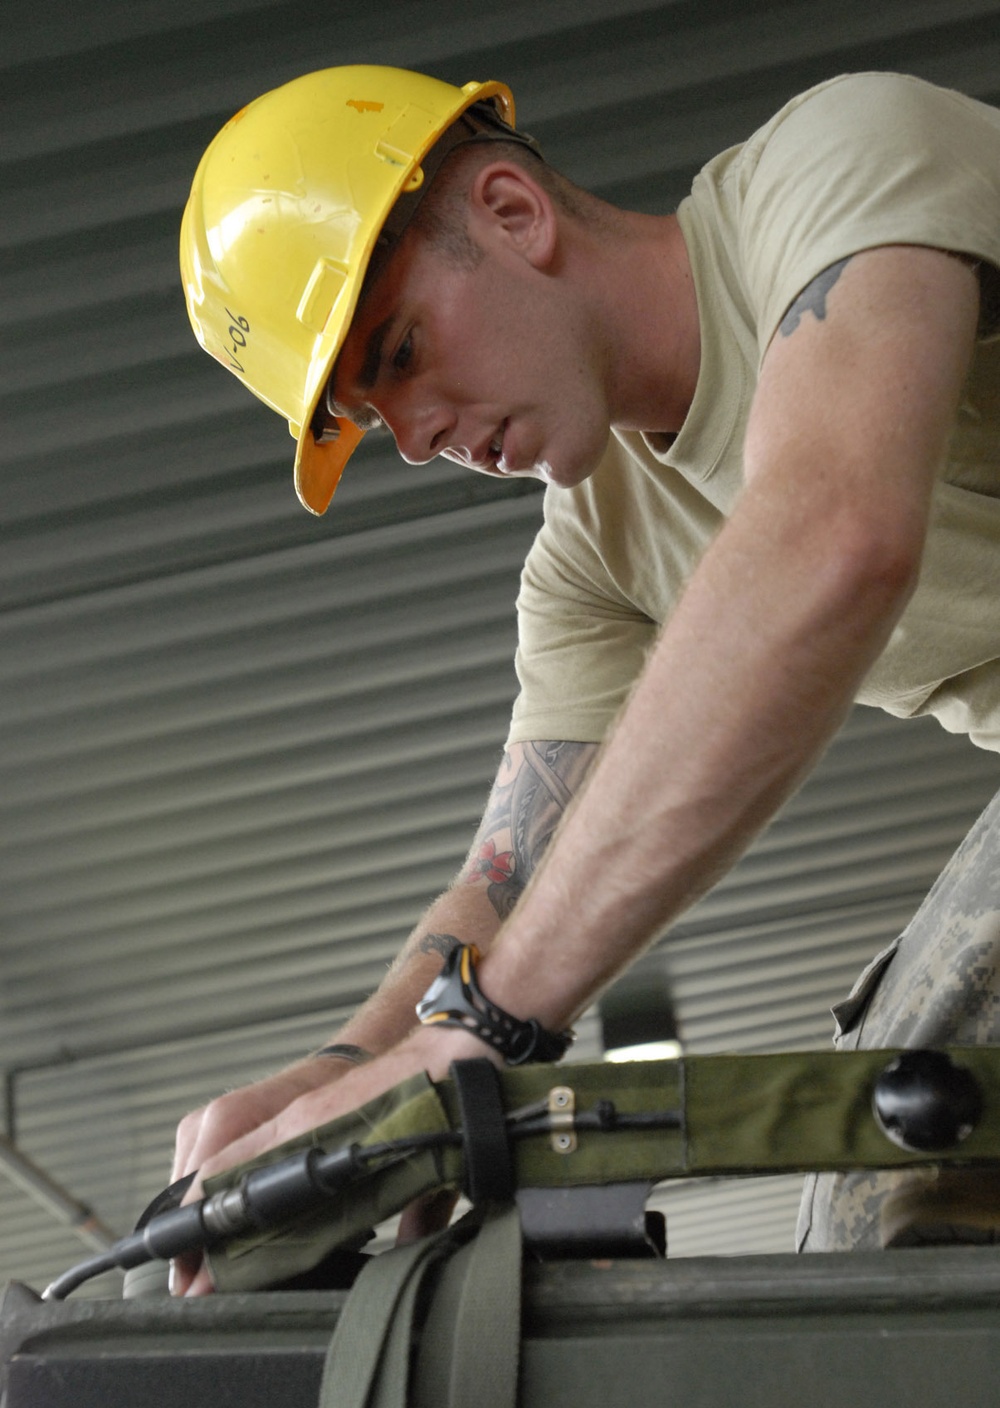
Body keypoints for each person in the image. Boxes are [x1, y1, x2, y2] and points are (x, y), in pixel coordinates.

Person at [172, 63, 1000, 1293]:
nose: (415, 436)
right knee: (876, 1234)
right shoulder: (593, 557)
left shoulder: (832, 167)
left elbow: (830, 536)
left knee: (912, 1116)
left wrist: (491, 1032)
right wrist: (344, 1073)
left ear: (514, 213)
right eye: (370, 414)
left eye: (401, 352)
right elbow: (506, 881)